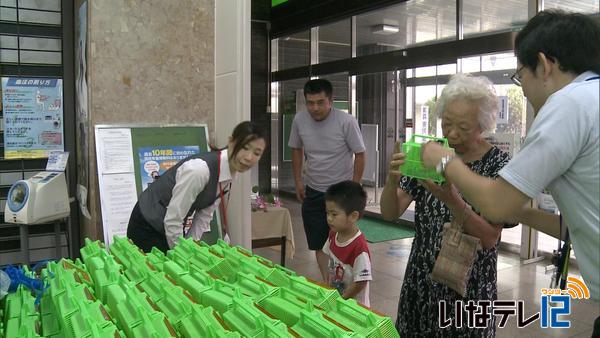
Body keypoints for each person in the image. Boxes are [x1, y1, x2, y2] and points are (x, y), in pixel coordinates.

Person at [420, 10, 600, 303]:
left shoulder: (569, 103)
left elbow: (495, 203)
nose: (525, 90)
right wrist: (518, 211)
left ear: (543, 64)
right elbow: (580, 222)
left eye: (520, 76)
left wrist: (442, 159)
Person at [381, 74, 513, 337]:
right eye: (447, 123)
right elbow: (390, 212)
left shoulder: (499, 165)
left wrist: (453, 201)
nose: (451, 134)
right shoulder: (430, 154)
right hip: (422, 279)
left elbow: (489, 239)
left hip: (469, 288)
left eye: (463, 127)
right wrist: (392, 178)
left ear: (483, 125)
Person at [127, 121, 267, 252]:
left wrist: (191, 247)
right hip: (146, 225)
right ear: (231, 141)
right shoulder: (199, 170)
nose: (249, 157)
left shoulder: (229, 173)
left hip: (168, 226)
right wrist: (182, 254)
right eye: (245, 147)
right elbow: (174, 218)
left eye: (256, 153)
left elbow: (205, 215)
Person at [288, 78, 366, 281]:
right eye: (310, 102)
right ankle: (328, 284)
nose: (315, 108)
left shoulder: (346, 121)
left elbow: (360, 154)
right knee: (317, 242)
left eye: (320, 102)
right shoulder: (299, 120)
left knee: (342, 240)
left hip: (340, 194)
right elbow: (296, 150)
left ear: (331, 101)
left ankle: (346, 281)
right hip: (313, 191)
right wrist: (298, 181)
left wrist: (354, 188)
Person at [322, 180, 372, 306]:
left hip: (354, 308)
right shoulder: (333, 234)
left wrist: (342, 299)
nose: (329, 218)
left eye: (334, 214)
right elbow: (328, 260)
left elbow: (361, 282)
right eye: (327, 213)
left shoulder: (359, 247)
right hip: (337, 300)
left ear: (353, 216)